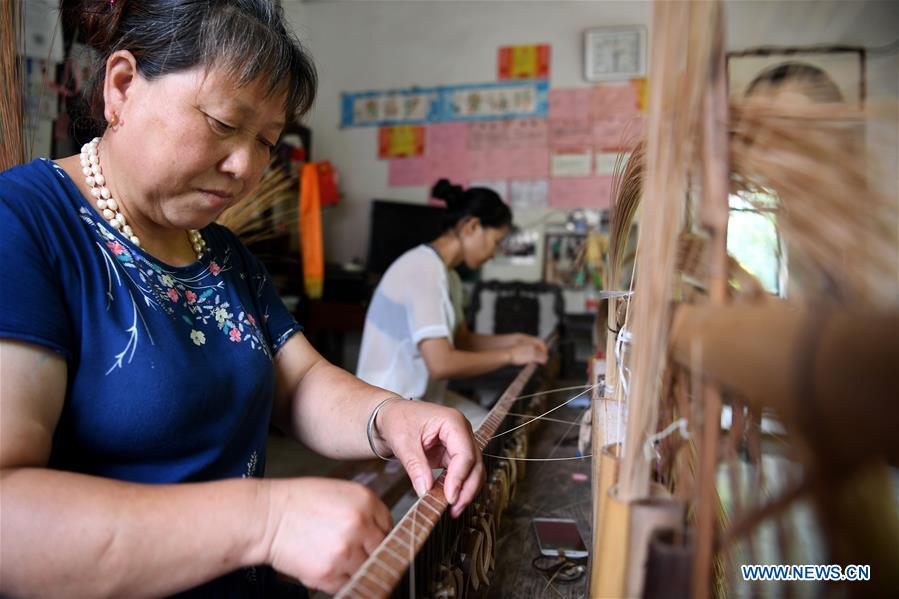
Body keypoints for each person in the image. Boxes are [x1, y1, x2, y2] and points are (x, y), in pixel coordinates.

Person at [0, 2, 483, 597]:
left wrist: (390, 416)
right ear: (122, 86)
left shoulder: (221, 253)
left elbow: (300, 382)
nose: (244, 167)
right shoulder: (23, 225)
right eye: (226, 125)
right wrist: (266, 520)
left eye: (266, 143)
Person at [355, 179, 549, 426]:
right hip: (388, 406)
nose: (493, 253)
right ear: (472, 226)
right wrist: (511, 355)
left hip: (419, 399)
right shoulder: (423, 269)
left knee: (492, 427)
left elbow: (462, 340)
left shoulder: (449, 276)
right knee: (481, 438)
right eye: (495, 242)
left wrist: (517, 340)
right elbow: (441, 364)